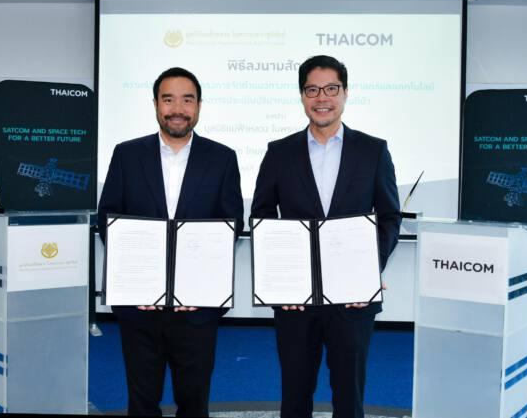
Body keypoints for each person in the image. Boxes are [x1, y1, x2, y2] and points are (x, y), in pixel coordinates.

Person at [251, 55, 401, 418]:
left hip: (353, 301)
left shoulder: (373, 150)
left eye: (331, 89)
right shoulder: (279, 152)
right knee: (295, 395)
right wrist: (280, 282)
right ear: (302, 96)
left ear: (345, 93)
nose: (322, 98)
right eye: (313, 90)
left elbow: (389, 217)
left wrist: (368, 272)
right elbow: (261, 217)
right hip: (295, 302)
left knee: (349, 398)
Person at [97, 67, 244, 417]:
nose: (177, 109)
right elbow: (108, 220)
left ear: (199, 106)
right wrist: (136, 283)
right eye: (168, 99)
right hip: (139, 307)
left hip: (197, 307)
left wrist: (200, 288)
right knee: (141, 401)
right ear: (155, 104)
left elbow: (232, 226)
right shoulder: (127, 154)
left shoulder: (222, 158)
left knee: (194, 402)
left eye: (187, 100)